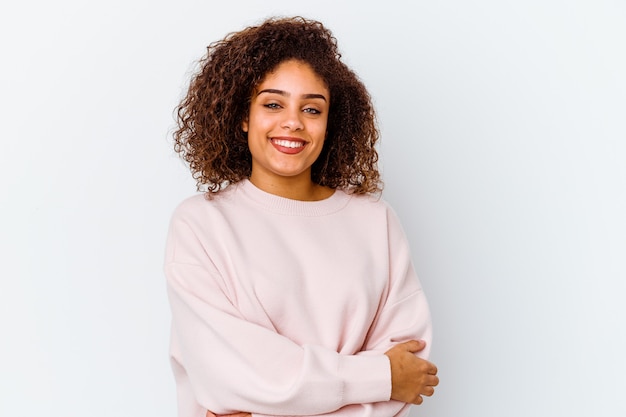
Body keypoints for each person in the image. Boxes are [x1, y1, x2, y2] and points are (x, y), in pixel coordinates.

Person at [165, 16, 439, 417]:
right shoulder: (201, 225)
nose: (292, 122)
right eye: (273, 104)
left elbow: (409, 372)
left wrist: (267, 404)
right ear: (243, 116)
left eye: (312, 109)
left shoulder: (375, 222)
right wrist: (377, 376)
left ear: (331, 124)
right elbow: (225, 375)